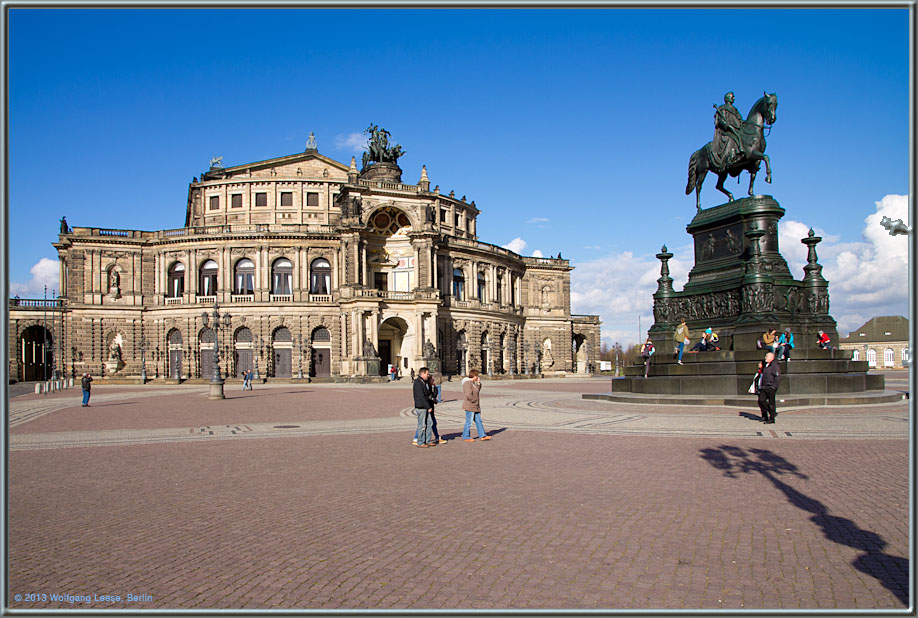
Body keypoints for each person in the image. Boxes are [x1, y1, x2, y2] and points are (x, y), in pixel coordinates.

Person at [712, 91, 745, 168]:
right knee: (731, 138)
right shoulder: (722, 109)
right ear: (728, 98)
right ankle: (730, 157)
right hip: (725, 131)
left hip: (735, 129)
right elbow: (720, 121)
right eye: (732, 97)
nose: (734, 98)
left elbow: (739, 118)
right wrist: (727, 125)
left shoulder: (735, 109)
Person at [461, 369, 490, 442]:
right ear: (474, 376)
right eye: (477, 376)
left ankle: (482, 435)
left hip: (475, 406)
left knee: (479, 421)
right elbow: (468, 394)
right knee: (469, 421)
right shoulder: (467, 383)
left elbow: (477, 390)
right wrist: (473, 400)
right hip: (470, 405)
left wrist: (479, 383)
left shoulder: (473, 383)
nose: (478, 377)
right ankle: (466, 436)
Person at [412, 367, 437, 448]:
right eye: (427, 373)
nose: (428, 375)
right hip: (421, 406)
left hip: (425, 406)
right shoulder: (418, 382)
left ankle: (427, 440)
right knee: (422, 425)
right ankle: (420, 442)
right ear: (422, 373)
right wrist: (428, 406)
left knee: (429, 423)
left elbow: (429, 394)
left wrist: (433, 385)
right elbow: (421, 396)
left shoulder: (424, 382)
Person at [758, 352, 781, 423]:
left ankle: (771, 418)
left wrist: (774, 387)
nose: (765, 358)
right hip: (764, 387)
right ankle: (771, 413)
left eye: (767, 356)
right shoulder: (766, 365)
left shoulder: (775, 366)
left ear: (771, 357)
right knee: (761, 400)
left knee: (771, 403)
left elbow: (777, 377)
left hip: (770, 387)